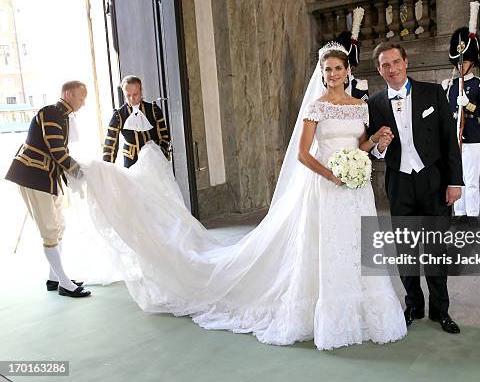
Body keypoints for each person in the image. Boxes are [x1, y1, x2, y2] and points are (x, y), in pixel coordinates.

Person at [75, 43, 407, 350]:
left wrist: (378, 140)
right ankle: (330, 313)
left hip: (355, 188)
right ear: (321, 74)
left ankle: (364, 311)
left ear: (348, 71)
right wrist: (331, 174)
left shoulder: (359, 107)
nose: (333, 74)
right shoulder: (316, 108)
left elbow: (360, 147)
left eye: (338, 68)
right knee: (328, 247)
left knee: (357, 247)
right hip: (325, 184)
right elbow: (304, 154)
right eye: (327, 69)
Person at [367, 41, 463, 334]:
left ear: (406, 62)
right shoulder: (374, 104)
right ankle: (413, 305)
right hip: (399, 183)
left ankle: (440, 311)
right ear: (379, 70)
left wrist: (454, 181)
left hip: (433, 180)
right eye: (385, 65)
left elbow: (449, 139)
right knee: (405, 250)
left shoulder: (432, 92)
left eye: (396, 62)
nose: (392, 69)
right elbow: (373, 149)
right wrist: (379, 147)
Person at [5, 81, 92, 298]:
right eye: (81, 98)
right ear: (68, 94)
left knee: (58, 225)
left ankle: (55, 278)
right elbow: (58, 152)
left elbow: (58, 152)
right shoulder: (52, 113)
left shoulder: (60, 115)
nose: (83, 103)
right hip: (35, 175)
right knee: (50, 230)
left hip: (46, 177)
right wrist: (82, 175)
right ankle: (64, 283)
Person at [443, 2, 480, 228]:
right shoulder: (449, 85)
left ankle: (472, 213)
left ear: (473, 61)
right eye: (459, 61)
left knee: (471, 178)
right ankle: (459, 211)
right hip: (454, 138)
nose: (462, 65)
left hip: (471, 135)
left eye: (466, 61)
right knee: (455, 176)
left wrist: (469, 105)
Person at [102, 75, 171, 168]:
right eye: (128, 95)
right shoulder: (119, 115)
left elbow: (164, 136)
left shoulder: (153, 110)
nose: (132, 98)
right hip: (131, 163)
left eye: (135, 94)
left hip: (154, 162)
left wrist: (158, 154)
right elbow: (110, 145)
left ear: (141, 91)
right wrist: (107, 168)